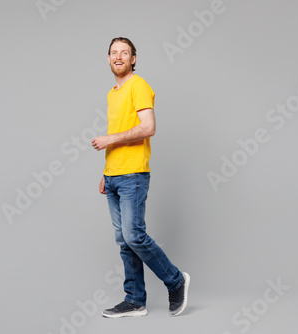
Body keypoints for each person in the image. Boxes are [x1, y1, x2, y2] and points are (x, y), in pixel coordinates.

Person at [92, 37, 190, 318]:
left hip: (133, 174)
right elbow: (121, 129)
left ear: (134, 58)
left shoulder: (139, 85)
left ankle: (175, 280)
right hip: (113, 175)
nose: (118, 56)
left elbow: (148, 127)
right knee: (124, 241)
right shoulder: (113, 93)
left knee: (134, 235)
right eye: (114, 53)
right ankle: (135, 300)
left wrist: (110, 138)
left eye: (125, 52)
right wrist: (105, 172)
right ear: (108, 59)